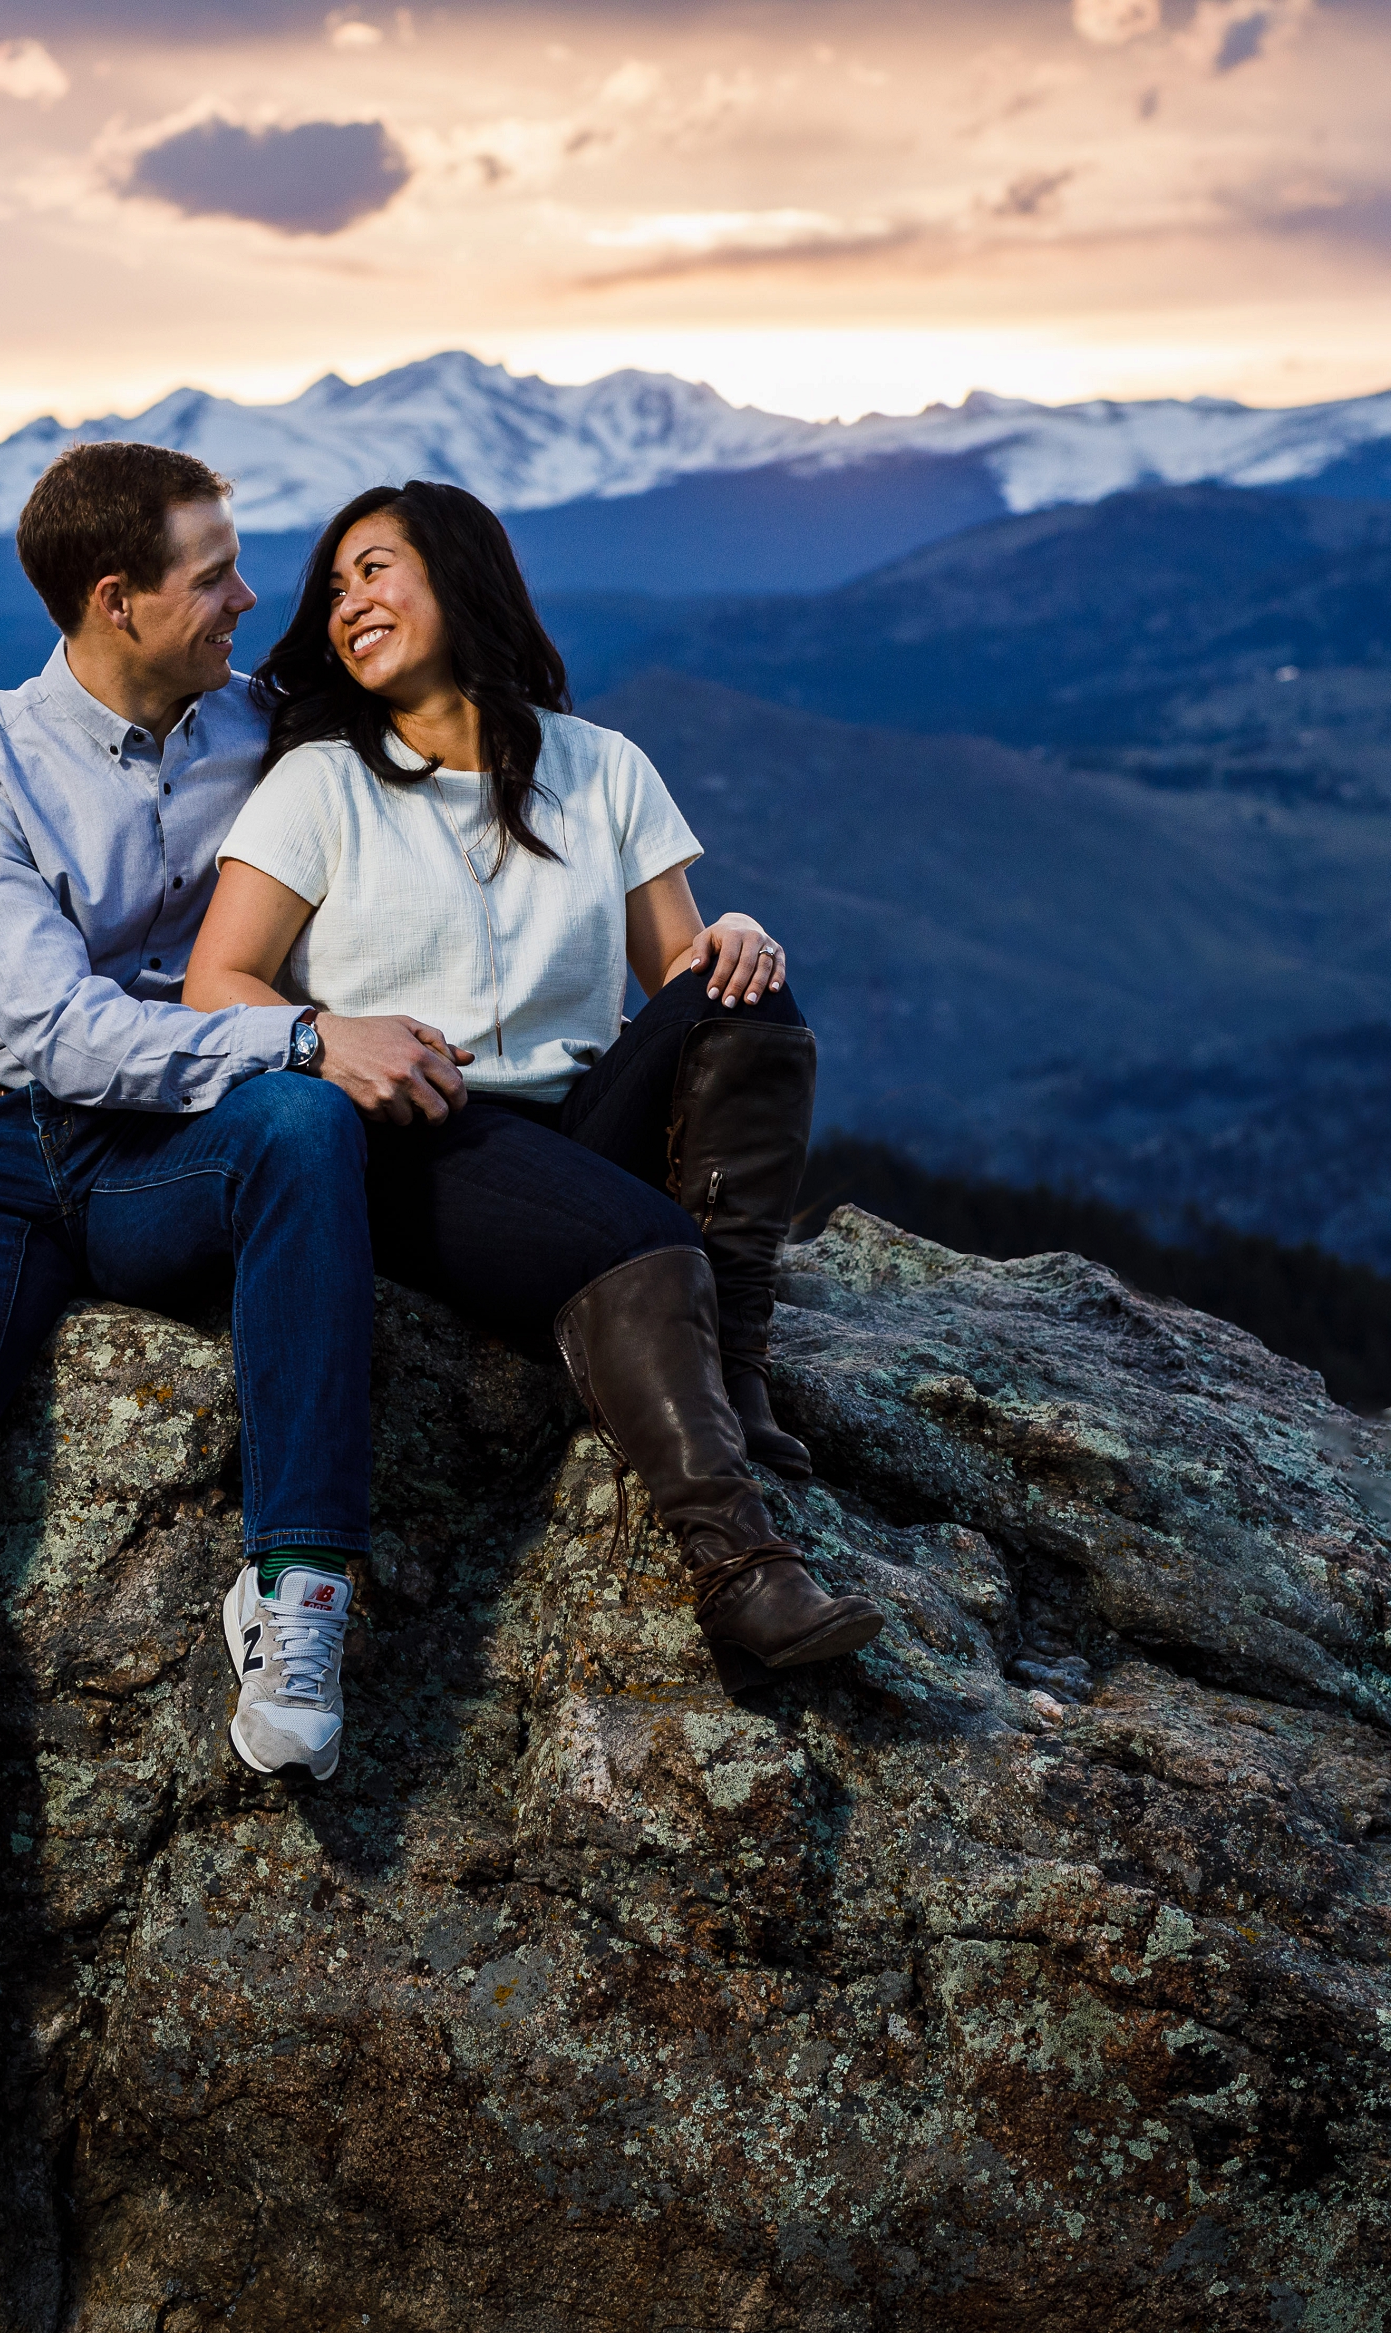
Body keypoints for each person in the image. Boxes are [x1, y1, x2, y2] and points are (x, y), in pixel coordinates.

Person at [0, 443, 467, 2074]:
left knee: (307, 1133)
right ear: (119, 602)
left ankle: (300, 1586)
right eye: (217, 572)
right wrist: (307, 1032)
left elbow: (471, 738)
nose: (259, 595)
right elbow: (60, 1033)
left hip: (161, 1155)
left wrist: (687, 921)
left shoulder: (267, 725)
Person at [186, 479, 882, 1766]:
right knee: (632, 1236)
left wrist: (721, 938)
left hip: (572, 1126)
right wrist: (332, 1041)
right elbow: (215, 982)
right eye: (333, 588)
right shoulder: (319, 785)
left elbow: (677, 970)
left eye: (377, 571)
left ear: (461, 580)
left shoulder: (600, 764)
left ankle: (729, 1360)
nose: (348, 605)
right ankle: (738, 1567)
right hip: (419, 1137)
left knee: (754, 993)